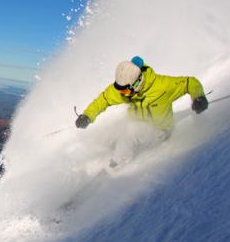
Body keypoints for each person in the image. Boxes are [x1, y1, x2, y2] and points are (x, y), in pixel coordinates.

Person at [75, 56, 208, 167]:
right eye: (119, 89)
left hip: (160, 130)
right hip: (137, 128)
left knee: (131, 132)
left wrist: (198, 97)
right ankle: (110, 153)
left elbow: (190, 82)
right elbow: (103, 100)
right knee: (111, 133)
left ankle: (117, 165)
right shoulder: (123, 90)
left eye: (125, 90)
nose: (122, 93)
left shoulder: (162, 86)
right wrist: (87, 115)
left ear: (137, 83)